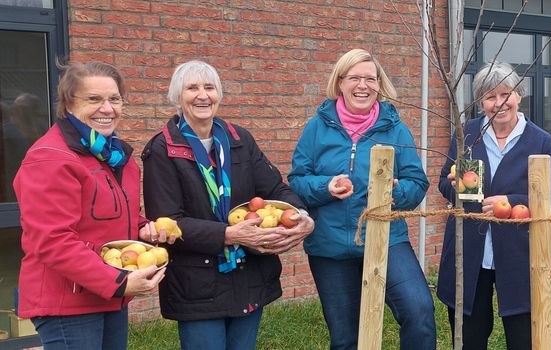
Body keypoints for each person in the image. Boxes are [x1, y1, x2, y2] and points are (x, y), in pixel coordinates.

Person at [142, 60, 314, 350]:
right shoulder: (162, 148)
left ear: (219, 94)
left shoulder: (238, 139)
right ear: (177, 97)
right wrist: (230, 234)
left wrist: (302, 215)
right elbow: (167, 222)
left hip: (247, 274)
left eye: (209, 87)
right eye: (192, 88)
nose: (202, 95)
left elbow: (274, 189)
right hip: (197, 284)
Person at [287, 49, 435, 350]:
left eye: (371, 78)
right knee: (346, 339)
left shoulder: (395, 129)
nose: (363, 85)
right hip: (330, 245)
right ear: (340, 82)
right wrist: (326, 186)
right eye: (354, 78)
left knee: (419, 311)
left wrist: (394, 192)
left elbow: (417, 182)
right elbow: (298, 180)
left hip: (386, 238)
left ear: (379, 84)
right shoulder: (317, 128)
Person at [14, 61, 167, 349]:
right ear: (69, 104)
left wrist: (144, 228)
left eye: (114, 99)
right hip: (67, 302)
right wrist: (118, 281)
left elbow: (115, 215)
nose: (107, 109)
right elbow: (52, 240)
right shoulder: (51, 157)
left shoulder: (114, 155)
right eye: (94, 99)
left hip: (106, 294)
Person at [436, 61, 551, 349]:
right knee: (470, 338)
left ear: (519, 95)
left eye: (506, 94)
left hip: (519, 255)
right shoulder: (467, 134)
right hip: (469, 252)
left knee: (522, 339)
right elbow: (444, 182)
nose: (499, 103)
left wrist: (511, 203)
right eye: (490, 96)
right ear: (481, 102)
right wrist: (455, 186)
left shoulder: (539, 140)